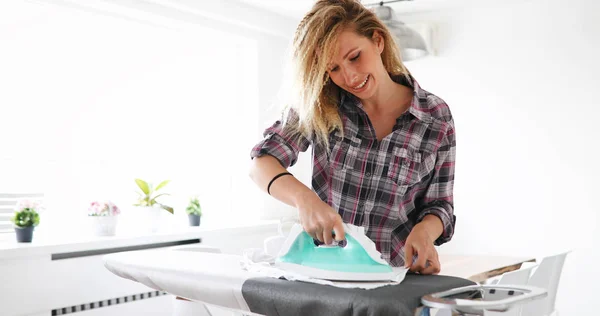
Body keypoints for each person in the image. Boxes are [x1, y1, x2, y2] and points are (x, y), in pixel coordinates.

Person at [249, 0, 456, 275]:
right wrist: (305, 200)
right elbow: (260, 164)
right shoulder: (321, 103)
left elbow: (439, 204)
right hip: (323, 275)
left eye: (354, 56)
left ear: (378, 41)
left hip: (390, 280)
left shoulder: (435, 116)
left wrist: (425, 232)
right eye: (332, 69)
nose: (349, 76)